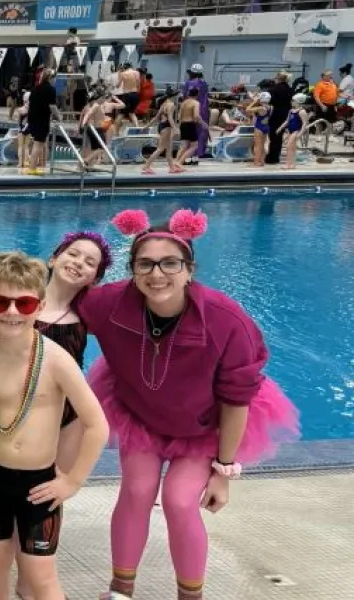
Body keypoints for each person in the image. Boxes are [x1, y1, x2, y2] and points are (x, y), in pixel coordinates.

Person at [91, 208, 300, 600]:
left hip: (205, 427)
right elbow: (60, 311)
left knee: (178, 500)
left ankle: (190, 596)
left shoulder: (225, 320)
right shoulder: (110, 305)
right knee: (137, 490)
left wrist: (223, 471)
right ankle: (120, 591)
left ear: (190, 269)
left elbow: (237, 400)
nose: (157, 274)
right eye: (145, 264)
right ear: (132, 270)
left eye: (170, 263)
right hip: (141, 414)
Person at [0, 251, 110, 600]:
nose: (11, 311)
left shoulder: (56, 360)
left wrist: (72, 481)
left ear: (39, 306)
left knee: (41, 575)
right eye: (0, 301)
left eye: (23, 303)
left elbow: (97, 426)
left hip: (40, 483)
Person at [24, 67, 58, 175]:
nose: (55, 81)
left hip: (32, 118)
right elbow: (52, 106)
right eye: (55, 78)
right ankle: (32, 168)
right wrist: (58, 117)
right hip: (42, 119)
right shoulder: (51, 89)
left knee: (36, 143)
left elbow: (31, 104)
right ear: (51, 78)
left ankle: (32, 166)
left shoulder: (35, 88)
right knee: (39, 143)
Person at [142, 94, 179, 175]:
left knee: (169, 149)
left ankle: (172, 168)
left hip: (162, 126)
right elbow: (170, 118)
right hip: (167, 127)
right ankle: (146, 166)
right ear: (172, 97)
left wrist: (146, 126)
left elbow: (156, 118)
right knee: (160, 149)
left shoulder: (163, 105)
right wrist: (175, 128)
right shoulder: (171, 105)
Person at [173, 90, 208, 172]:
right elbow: (196, 116)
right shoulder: (196, 103)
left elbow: (179, 116)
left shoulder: (184, 103)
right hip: (190, 124)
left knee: (184, 146)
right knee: (194, 146)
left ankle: (175, 163)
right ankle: (179, 163)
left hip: (183, 124)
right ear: (197, 95)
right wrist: (203, 124)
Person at [182, 65, 211, 160]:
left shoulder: (188, 83)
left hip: (191, 109)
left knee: (191, 132)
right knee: (202, 131)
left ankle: (189, 154)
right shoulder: (204, 83)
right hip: (203, 109)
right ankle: (200, 152)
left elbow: (184, 96)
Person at [265, 72, 294, 165]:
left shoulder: (274, 89)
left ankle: (273, 157)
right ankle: (283, 157)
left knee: (274, 136)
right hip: (288, 114)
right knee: (281, 136)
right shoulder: (290, 89)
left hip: (276, 114)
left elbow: (268, 101)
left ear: (277, 79)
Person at [275, 94, 309, 171]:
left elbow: (304, 123)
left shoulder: (302, 111)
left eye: (293, 100)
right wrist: (280, 128)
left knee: (289, 147)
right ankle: (292, 164)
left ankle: (288, 164)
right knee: (291, 148)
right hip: (290, 131)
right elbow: (287, 121)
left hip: (296, 131)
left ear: (298, 102)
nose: (291, 102)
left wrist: (300, 133)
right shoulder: (291, 111)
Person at [245, 92, 271, 168]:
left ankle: (256, 162)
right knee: (262, 145)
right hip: (266, 127)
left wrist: (254, 101)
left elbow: (247, 110)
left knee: (257, 146)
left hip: (259, 128)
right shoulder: (270, 107)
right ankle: (262, 161)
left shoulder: (261, 108)